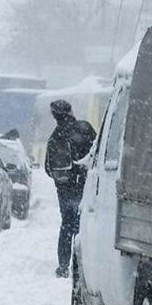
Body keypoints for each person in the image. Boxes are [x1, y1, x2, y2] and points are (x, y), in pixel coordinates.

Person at [46, 100, 97, 278]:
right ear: (70, 111)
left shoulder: (55, 137)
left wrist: (64, 181)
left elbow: (47, 168)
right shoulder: (84, 128)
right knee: (85, 224)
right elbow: (98, 153)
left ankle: (63, 265)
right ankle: (86, 263)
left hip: (65, 189)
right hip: (86, 186)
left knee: (67, 225)